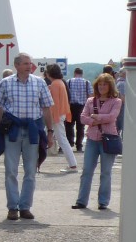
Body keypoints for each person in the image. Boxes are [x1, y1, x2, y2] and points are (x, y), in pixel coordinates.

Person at [0, 52, 54, 221]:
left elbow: (47, 108)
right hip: (12, 130)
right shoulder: (5, 83)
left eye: (30, 63)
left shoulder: (40, 83)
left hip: (32, 129)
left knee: (30, 171)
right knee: (10, 170)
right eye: (25, 63)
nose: (29, 66)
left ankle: (25, 206)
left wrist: (50, 132)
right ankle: (13, 207)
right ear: (16, 65)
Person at [74, 72, 123, 211]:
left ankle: (103, 202)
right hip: (92, 139)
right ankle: (81, 201)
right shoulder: (91, 101)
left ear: (110, 86)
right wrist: (95, 120)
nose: (102, 87)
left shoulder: (116, 101)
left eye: (105, 84)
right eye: (100, 84)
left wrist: (95, 117)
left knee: (106, 172)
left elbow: (113, 117)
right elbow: (83, 118)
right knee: (87, 170)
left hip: (108, 138)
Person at [44, 63, 78, 172]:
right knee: (60, 139)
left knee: (58, 139)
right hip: (61, 114)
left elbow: (54, 103)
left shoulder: (55, 84)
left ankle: (73, 165)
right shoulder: (60, 83)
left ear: (49, 73)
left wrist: (53, 118)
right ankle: (72, 164)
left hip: (56, 115)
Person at [68, 67, 91, 151]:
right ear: (82, 74)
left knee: (69, 126)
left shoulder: (69, 81)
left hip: (71, 106)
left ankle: (70, 142)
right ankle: (79, 145)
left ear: (75, 73)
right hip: (82, 106)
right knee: (81, 127)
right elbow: (90, 95)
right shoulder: (87, 82)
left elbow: (66, 94)